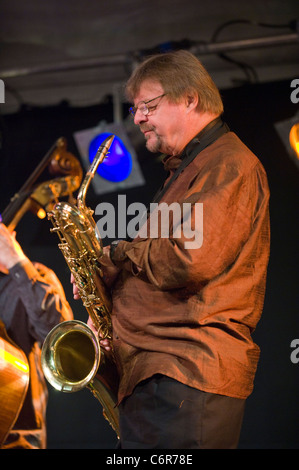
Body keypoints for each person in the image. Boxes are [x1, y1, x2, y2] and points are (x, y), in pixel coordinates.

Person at [73, 50, 270, 449]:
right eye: (134, 108)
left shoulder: (229, 163)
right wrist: (111, 299)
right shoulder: (189, 169)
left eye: (148, 105)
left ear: (189, 99)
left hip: (183, 377)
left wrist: (116, 255)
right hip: (161, 378)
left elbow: (188, 258)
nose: (137, 118)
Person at [0, 221, 73, 449]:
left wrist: (16, 262)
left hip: (17, 436)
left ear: (8, 234)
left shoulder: (37, 275)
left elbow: (64, 343)